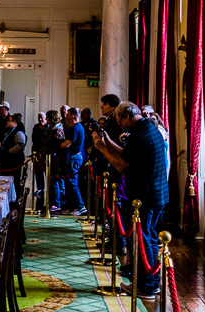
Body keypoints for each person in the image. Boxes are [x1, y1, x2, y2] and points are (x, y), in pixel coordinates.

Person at [92, 102, 167, 300]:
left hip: (145, 196)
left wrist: (101, 148)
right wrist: (107, 141)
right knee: (148, 237)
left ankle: (145, 286)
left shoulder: (139, 136)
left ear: (127, 116)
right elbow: (127, 154)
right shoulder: (148, 128)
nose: (121, 125)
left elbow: (120, 165)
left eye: (120, 121)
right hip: (156, 194)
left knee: (143, 240)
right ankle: (151, 282)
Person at [59, 107, 87, 215]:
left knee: (73, 183)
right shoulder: (76, 127)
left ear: (73, 116)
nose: (66, 116)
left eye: (68, 114)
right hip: (74, 157)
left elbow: (67, 144)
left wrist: (56, 146)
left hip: (75, 158)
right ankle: (73, 206)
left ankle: (81, 206)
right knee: (69, 183)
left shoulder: (76, 128)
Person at [0, 115, 27, 195]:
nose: (7, 122)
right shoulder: (9, 131)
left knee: (14, 181)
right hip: (8, 161)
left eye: (9, 121)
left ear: (14, 123)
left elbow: (20, 145)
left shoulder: (18, 132)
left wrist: (9, 151)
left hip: (14, 161)